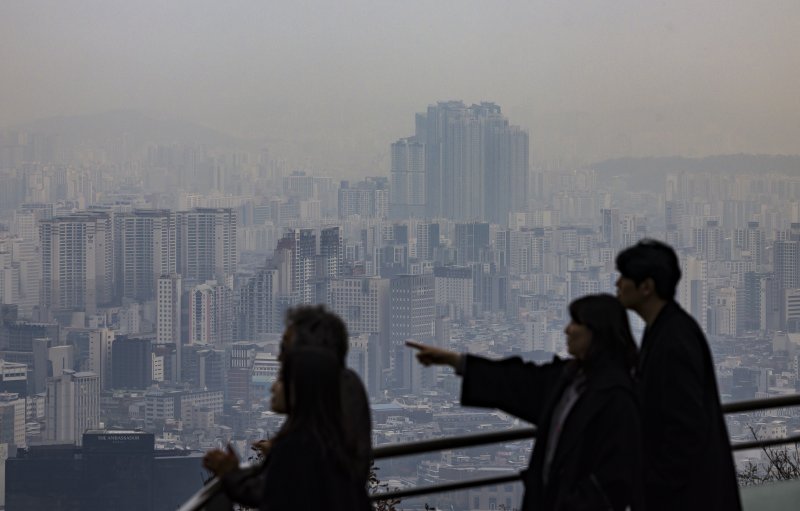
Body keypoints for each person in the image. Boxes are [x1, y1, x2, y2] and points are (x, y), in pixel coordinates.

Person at [409, 294, 643, 511]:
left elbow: (615, 477)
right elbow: (517, 381)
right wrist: (456, 362)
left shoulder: (617, 398)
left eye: (576, 323)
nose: (567, 329)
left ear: (597, 333)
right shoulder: (569, 378)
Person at [615, 239, 741, 511]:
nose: (618, 284)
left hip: (686, 497)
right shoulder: (664, 330)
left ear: (646, 287)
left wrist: (652, 486)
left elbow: (685, 430)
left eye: (625, 277)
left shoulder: (673, 340)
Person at [203, 306, 372, 507]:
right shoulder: (346, 390)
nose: (280, 357)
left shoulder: (304, 440)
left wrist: (234, 474)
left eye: (286, 348)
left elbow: (280, 494)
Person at [222, 346, 370, 510]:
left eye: (280, 379)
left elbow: (268, 494)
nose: (272, 387)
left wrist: (230, 472)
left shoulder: (298, 441)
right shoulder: (330, 434)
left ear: (299, 388)